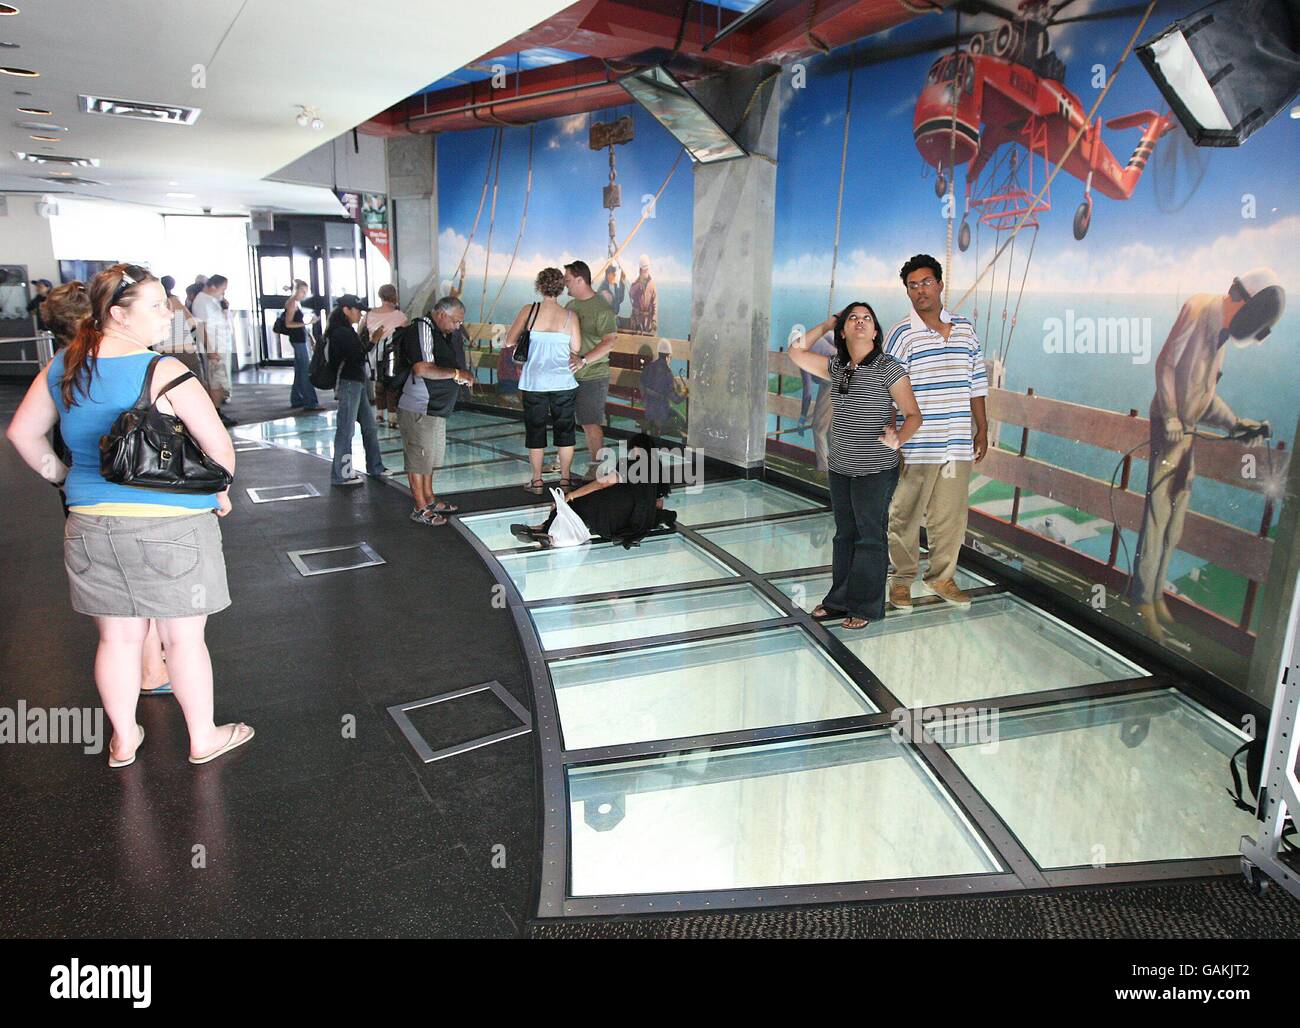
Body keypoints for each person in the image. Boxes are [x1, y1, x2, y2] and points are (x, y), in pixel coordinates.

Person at [5, 263, 253, 767]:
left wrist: (62, 477)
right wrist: (221, 492)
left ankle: (123, 739)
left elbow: (22, 435)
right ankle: (202, 737)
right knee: (183, 639)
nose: (167, 315)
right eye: (156, 306)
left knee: (117, 639)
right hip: (172, 524)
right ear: (118, 314)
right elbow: (217, 445)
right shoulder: (161, 369)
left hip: (90, 523)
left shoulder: (63, 366)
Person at [1129, 268, 1282, 642]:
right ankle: (1141, 602)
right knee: (1158, 518)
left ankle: (1156, 594)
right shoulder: (1198, 308)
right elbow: (1165, 364)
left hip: (1189, 433)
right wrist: (1168, 415)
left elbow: (1206, 398)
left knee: (1175, 522)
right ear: (1238, 298)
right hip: (1170, 431)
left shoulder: (1222, 338)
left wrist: (1237, 424)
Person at [789, 301, 922, 629]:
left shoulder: (889, 368)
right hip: (841, 467)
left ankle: (865, 606)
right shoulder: (836, 367)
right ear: (843, 331)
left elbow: (914, 415)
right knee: (845, 535)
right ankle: (839, 601)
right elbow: (796, 352)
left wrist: (899, 437)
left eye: (867, 319)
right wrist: (827, 322)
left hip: (875, 469)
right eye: (853, 318)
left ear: (875, 332)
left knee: (869, 537)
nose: (860, 322)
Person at [885, 254, 988, 610]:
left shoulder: (965, 329)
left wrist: (983, 428)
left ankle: (942, 577)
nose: (920, 291)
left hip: (957, 442)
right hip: (917, 444)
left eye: (926, 282)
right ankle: (900, 580)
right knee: (905, 515)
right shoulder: (901, 334)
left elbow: (977, 382)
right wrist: (893, 439)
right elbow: (888, 389)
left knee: (950, 516)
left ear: (941, 284)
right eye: (912, 286)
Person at [511, 433, 676, 547]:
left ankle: (543, 529)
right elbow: (658, 503)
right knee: (586, 509)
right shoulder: (657, 470)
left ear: (635, 447)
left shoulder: (631, 463)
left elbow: (604, 483)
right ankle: (543, 529)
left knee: (577, 502)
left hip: (616, 508)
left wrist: (571, 495)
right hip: (632, 521)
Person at [396, 296, 474, 524]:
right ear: (441, 314)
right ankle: (420, 507)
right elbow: (422, 368)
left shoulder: (441, 332)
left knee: (428, 457)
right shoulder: (422, 329)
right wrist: (457, 374)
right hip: (419, 406)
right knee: (418, 458)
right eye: (456, 321)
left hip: (436, 407)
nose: (457, 326)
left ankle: (429, 498)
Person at [507, 267, 581, 494]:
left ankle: (537, 481)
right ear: (561, 289)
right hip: (563, 381)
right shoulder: (570, 316)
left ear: (539, 286)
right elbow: (576, 348)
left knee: (535, 430)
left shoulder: (529, 311)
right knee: (565, 431)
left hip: (534, 382)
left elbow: (510, 341)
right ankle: (565, 480)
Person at [562, 261, 619, 478]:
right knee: (567, 420)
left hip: (593, 375)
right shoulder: (570, 306)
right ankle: (562, 461)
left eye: (567, 279)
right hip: (571, 375)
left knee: (589, 422)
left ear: (579, 279)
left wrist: (583, 360)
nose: (565, 284)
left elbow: (610, 341)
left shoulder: (602, 308)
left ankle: (598, 467)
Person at [328, 294, 388, 488]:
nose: (360, 314)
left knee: (369, 426)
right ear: (346, 309)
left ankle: (375, 466)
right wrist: (373, 341)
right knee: (346, 429)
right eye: (357, 310)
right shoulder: (340, 332)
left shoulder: (345, 330)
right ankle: (341, 474)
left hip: (356, 382)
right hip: (348, 383)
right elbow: (358, 355)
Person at [190, 274, 238, 427]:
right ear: (213, 286)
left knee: (220, 380)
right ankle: (215, 414)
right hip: (214, 347)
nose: (223, 292)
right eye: (222, 288)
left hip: (222, 345)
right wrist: (210, 350)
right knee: (215, 380)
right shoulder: (201, 301)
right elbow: (201, 327)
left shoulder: (213, 300)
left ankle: (217, 411)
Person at [364, 284, 408, 428]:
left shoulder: (369, 314)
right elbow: (406, 333)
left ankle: (379, 413)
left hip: (373, 352)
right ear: (394, 296)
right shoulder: (399, 316)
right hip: (391, 353)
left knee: (378, 382)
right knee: (392, 385)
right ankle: (393, 417)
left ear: (380, 296)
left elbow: (361, 330)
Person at [284, 279, 323, 412]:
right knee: (305, 370)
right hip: (297, 340)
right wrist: (307, 323)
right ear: (296, 290)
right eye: (302, 291)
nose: (304, 294)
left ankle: (297, 399)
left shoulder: (296, 303)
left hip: (300, 338)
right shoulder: (292, 304)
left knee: (300, 370)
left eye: (305, 292)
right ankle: (310, 402)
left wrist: (309, 335)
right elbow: (288, 324)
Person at [639, 339, 680, 438]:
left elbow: (641, 383)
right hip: (661, 413)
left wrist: (645, 398)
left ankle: (655, 430)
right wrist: (686, 392)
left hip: (648, 410)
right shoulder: (667, 373)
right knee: (680, 420)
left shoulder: (649, 367)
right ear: (668, 356)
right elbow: (676, 400)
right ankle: (661, 430)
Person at [628, 254, 658, 334]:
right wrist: (639, 283)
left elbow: (654, 304)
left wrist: (654, 321)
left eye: (646, 270)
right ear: (640, 270)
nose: (645, 272)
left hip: (648, 323)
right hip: (636, 320)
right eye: (643, 270)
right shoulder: (636, 284)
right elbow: (631, 294)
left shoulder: (652, 285)